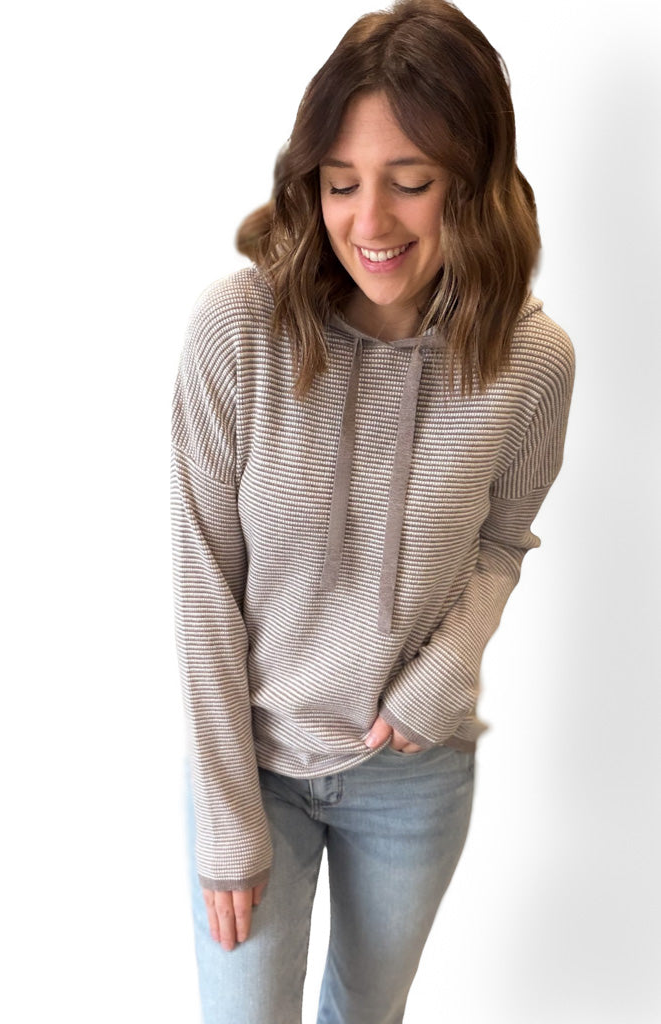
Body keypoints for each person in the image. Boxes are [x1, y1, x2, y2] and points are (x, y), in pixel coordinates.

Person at [170, 1, 575, 1021]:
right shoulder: (237, 331)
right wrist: (225, 821)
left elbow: (501, 539)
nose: (369, 221)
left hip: (413, 779)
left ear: (472, 184)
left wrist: (443, 675)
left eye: (410, 183)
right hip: (255, 765)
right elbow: (201, 577)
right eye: (340, 183)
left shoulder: (532, 360)